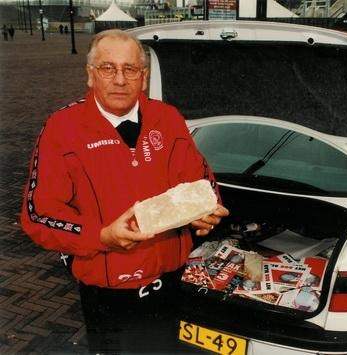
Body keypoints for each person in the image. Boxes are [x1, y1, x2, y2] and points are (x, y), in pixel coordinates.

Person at [21, 29, 229, 353]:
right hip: (108, 295)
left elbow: (200, 177)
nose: (120, 79)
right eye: (108, 68)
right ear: (90, 75)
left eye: (130, 69)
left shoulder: (168, 118)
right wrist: (101, 235)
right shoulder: (61, 129)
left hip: (171, 282)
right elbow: (38, 214)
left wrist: (207, 211)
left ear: (143, 77)